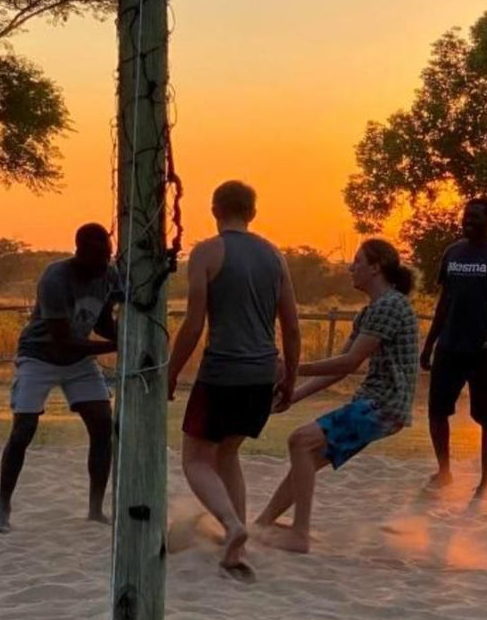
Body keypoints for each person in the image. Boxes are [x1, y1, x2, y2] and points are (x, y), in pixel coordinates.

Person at [167, 181, 301, 580]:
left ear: (214, 210)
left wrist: (171, 372)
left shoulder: (207, 252)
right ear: (253, 213)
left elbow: (194, 324)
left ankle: (232, 524)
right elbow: (291, 327)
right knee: (228, 453)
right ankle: (233, 548)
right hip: (262, 373)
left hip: (223, 370)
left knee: (195, 458)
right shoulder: (274, 256)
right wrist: (290, 378)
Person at [254, 239, 419, 554]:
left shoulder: (389, 306)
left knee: (299, 441)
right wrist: (293, 393)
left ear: (376, 267)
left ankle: (299, 534)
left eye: (357, 261)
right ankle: (263, 523)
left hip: (382, 406)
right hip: (376, 405)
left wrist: (290, 368)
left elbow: (349, 362)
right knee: (308, 457)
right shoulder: (373, 310)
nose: (350, 267)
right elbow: (340, 370)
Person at [0, 223, 122, 534]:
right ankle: (3, 506)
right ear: (79, 251)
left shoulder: (108, 274)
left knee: (103, 424)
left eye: (107, 257)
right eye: (97, 258)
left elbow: (101, 322)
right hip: (40, 355)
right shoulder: (55, 278)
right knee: (23, 429)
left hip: (79, 360)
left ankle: (95, 508)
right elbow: (62, 338)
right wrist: (117, 346)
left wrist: (127, 334)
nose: (103, 265)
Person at [420, 198, 487, 499]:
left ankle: (485, 482)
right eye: (465, 215)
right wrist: (429, 344)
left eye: (475, 216)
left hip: (486, 350)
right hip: (450, 346)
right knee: (437, 411)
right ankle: (444, 471)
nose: (468, 220)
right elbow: (444, 302)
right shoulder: (452, 253)